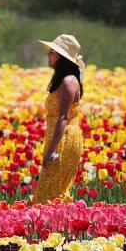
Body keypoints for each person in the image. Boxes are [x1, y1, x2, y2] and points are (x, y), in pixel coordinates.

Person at [31, 34, 85, 204]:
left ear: (62, 57)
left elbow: (63, 118)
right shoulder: (63, 80)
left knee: (51, 191)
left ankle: (57, 227)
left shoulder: (69, 81)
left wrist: (51, 151)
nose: (48, 55)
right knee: (49, 190)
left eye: (52, 52)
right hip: (58, 137)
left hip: (63, 139)